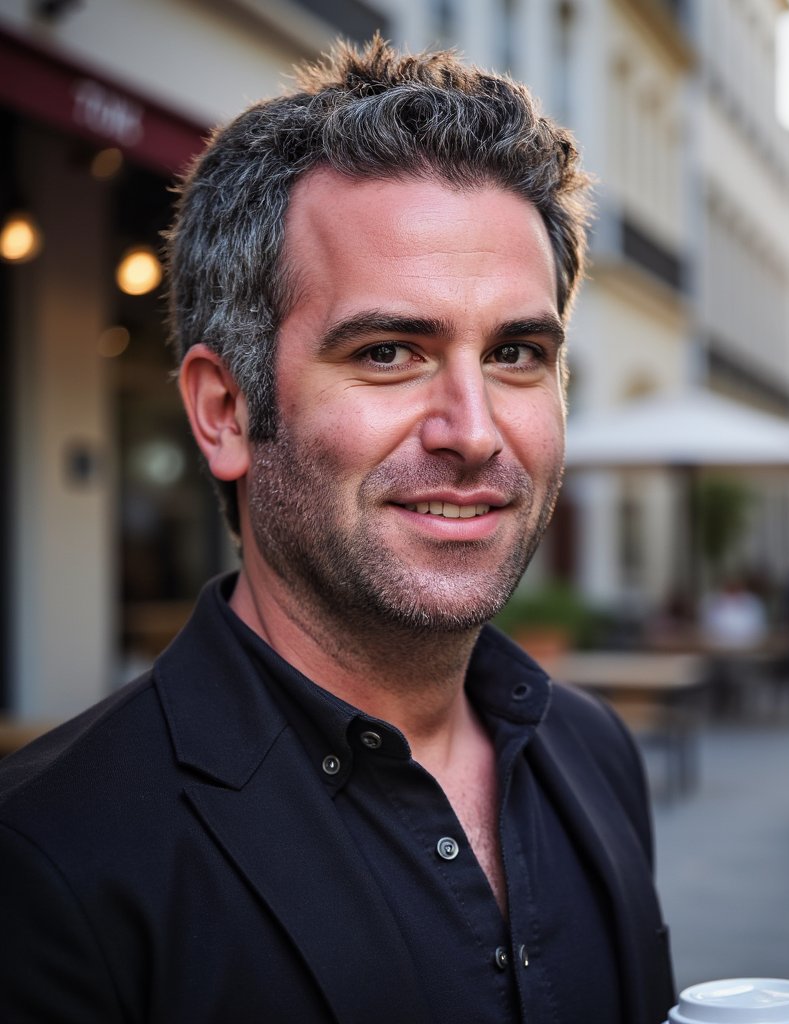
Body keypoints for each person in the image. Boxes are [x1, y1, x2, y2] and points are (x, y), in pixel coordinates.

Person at [0, 39, 675, 1023]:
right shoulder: (51, 854)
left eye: (518, 353)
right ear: (225, 411)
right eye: (391, 351)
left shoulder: (592, 751)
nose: (474, 432)